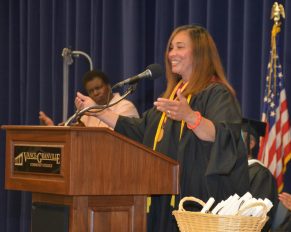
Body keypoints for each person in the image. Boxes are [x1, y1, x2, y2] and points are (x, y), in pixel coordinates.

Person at [75, 24, 249, 231]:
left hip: (198, 203)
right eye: (170, 48)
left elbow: (223, 135)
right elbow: (139, 129)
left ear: (200, 52)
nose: (172, 54)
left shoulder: (216, 93)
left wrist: (191, 117)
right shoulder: (172, 98)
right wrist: (97, 111)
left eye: (180, 47)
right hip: (164, 199)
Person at [39, 70, 139, 127]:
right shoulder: (88, 113)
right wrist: (54, 128)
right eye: (91, 91)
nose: (95, 93)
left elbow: (121, 136)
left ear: (108, 86)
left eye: (98, 88)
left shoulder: (125, 107)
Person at [242, 118, 278, 232]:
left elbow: (257, 219)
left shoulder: (261, 175)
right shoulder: (229, 171)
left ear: (251, 144)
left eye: (237, 139)